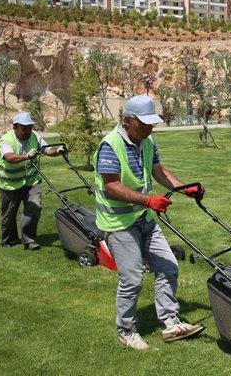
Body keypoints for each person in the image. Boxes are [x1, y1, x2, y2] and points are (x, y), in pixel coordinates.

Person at [93, 95, 204, 351]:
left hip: (144, 218)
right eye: (144, 124)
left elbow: (159, 171)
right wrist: (148, 201)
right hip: (118, 222)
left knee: (168, 265)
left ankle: (170, 322)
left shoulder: (147, 140)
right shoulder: (110, 146)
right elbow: (111, 186)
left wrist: (184, 188)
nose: (150, 128)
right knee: (132, 278)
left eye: (152, 124)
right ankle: (126, 330)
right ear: (127, 120)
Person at [0, 112, 63, 250]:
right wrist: (26, 156)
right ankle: (8, 240)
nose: (28, 131)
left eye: (30, 127)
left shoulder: (34, 136)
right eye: (24, 128)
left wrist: (57, 150)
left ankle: (29, 240)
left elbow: (46, 149)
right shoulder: (6, 140)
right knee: (9, 215)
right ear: (15, 127)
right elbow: (9, 157)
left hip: (31, 181)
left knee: (34, 208)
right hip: (10, 184)